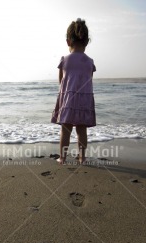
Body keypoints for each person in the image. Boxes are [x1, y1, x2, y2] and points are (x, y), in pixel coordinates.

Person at [51, 18, 96, 164]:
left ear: (68, 41)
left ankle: (62, 158)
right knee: (82, 130)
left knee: (66, 130)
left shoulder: (64, 59)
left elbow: (61, 82)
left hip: (68, 99)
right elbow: (89, 79)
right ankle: (82, 158)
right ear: (87, 42)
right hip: (84, 100)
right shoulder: (90, 62)